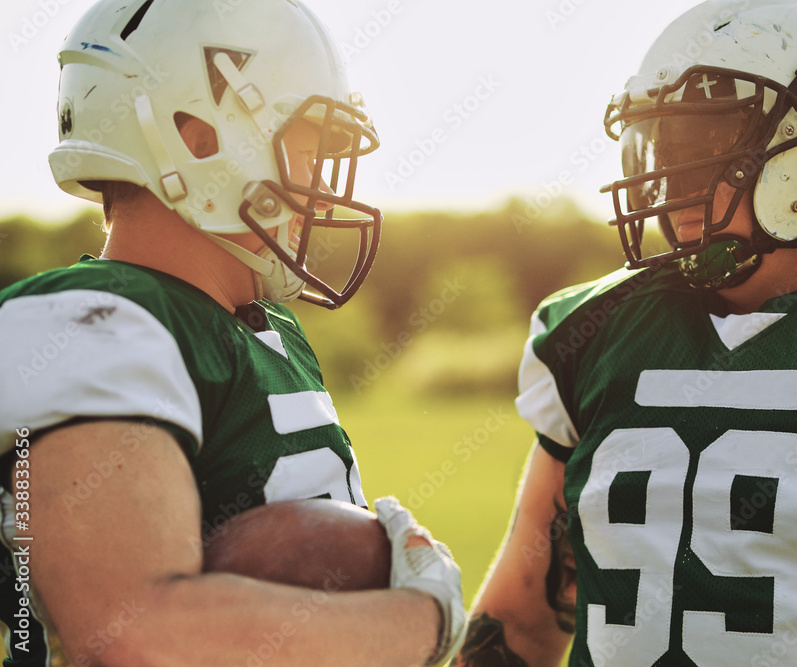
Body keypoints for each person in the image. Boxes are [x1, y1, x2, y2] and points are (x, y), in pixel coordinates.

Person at [454, 0, 797, 665]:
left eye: (707, 145)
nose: (671, 176)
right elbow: (519, 623)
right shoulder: (595, 333)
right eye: (664, 143)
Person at [0, 0, 465, 665]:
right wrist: (419, 622)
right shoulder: (88, 320)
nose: (324, 191)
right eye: (310, 142)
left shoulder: (270, 329)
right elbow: (130, 631)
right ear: (196, 135)